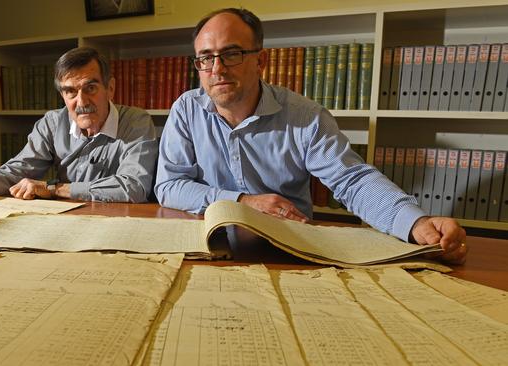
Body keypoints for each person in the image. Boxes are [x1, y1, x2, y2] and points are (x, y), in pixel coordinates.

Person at [155, 8, 467, 264]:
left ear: (260, 61)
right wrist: (243, 202)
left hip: (286, 254)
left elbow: (352, 181)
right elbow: (169, 185)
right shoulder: (186, 109)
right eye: (205, 58)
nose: (217, 69)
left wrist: (416, 224)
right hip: (208, 252)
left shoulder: (304, 116)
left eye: (231, 53)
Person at [0, 47, 157, 204]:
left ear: (110, 88)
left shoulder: (136, 122)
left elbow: (133, 187)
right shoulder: (52, 123)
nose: (81, 101)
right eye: (70, 92)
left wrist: (53, 189)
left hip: (121, 225)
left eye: (90, 88)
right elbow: (13, 173)